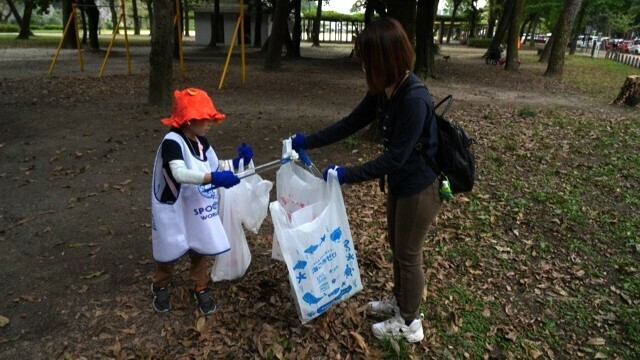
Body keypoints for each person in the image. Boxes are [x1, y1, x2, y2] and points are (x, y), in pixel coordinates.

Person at [290, 17, 442, 343]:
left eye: (366, 58)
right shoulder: (384, 91)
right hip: (402, 184)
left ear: (384, 59)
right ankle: (400, 304)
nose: (362, 65)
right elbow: (351, 123)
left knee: (409, 254)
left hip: (420, 188)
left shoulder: (414, 98)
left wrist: (346, 175)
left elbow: (394, 158)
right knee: (396, 247)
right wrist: (308, 140)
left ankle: (410, 323)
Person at [150, 88, 253, 315]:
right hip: (173, 206)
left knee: (201, 244)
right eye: (205, 118)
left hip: (195, 204)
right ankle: (161, 284)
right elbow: (179, 173)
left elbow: (215, 167)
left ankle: (201, 286)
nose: (210, 123)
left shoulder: (202, 142)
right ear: (188, 120)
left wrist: (239, 163)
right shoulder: (172, 142)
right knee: (170, 247)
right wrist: (212, 178)